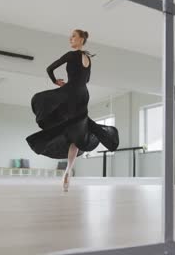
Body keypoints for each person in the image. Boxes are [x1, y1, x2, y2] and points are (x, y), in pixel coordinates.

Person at [27, 29, 119, 192]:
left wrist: (56, 81)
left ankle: (56, 141)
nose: (70, 39)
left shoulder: (71, 55)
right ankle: (68, 170)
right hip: (83, 95)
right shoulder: (88, 59)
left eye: (73, 36)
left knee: (40, 100)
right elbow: (87, 79)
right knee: (77, 133)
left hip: (70, 92)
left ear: (81, 39)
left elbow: (50, 68)